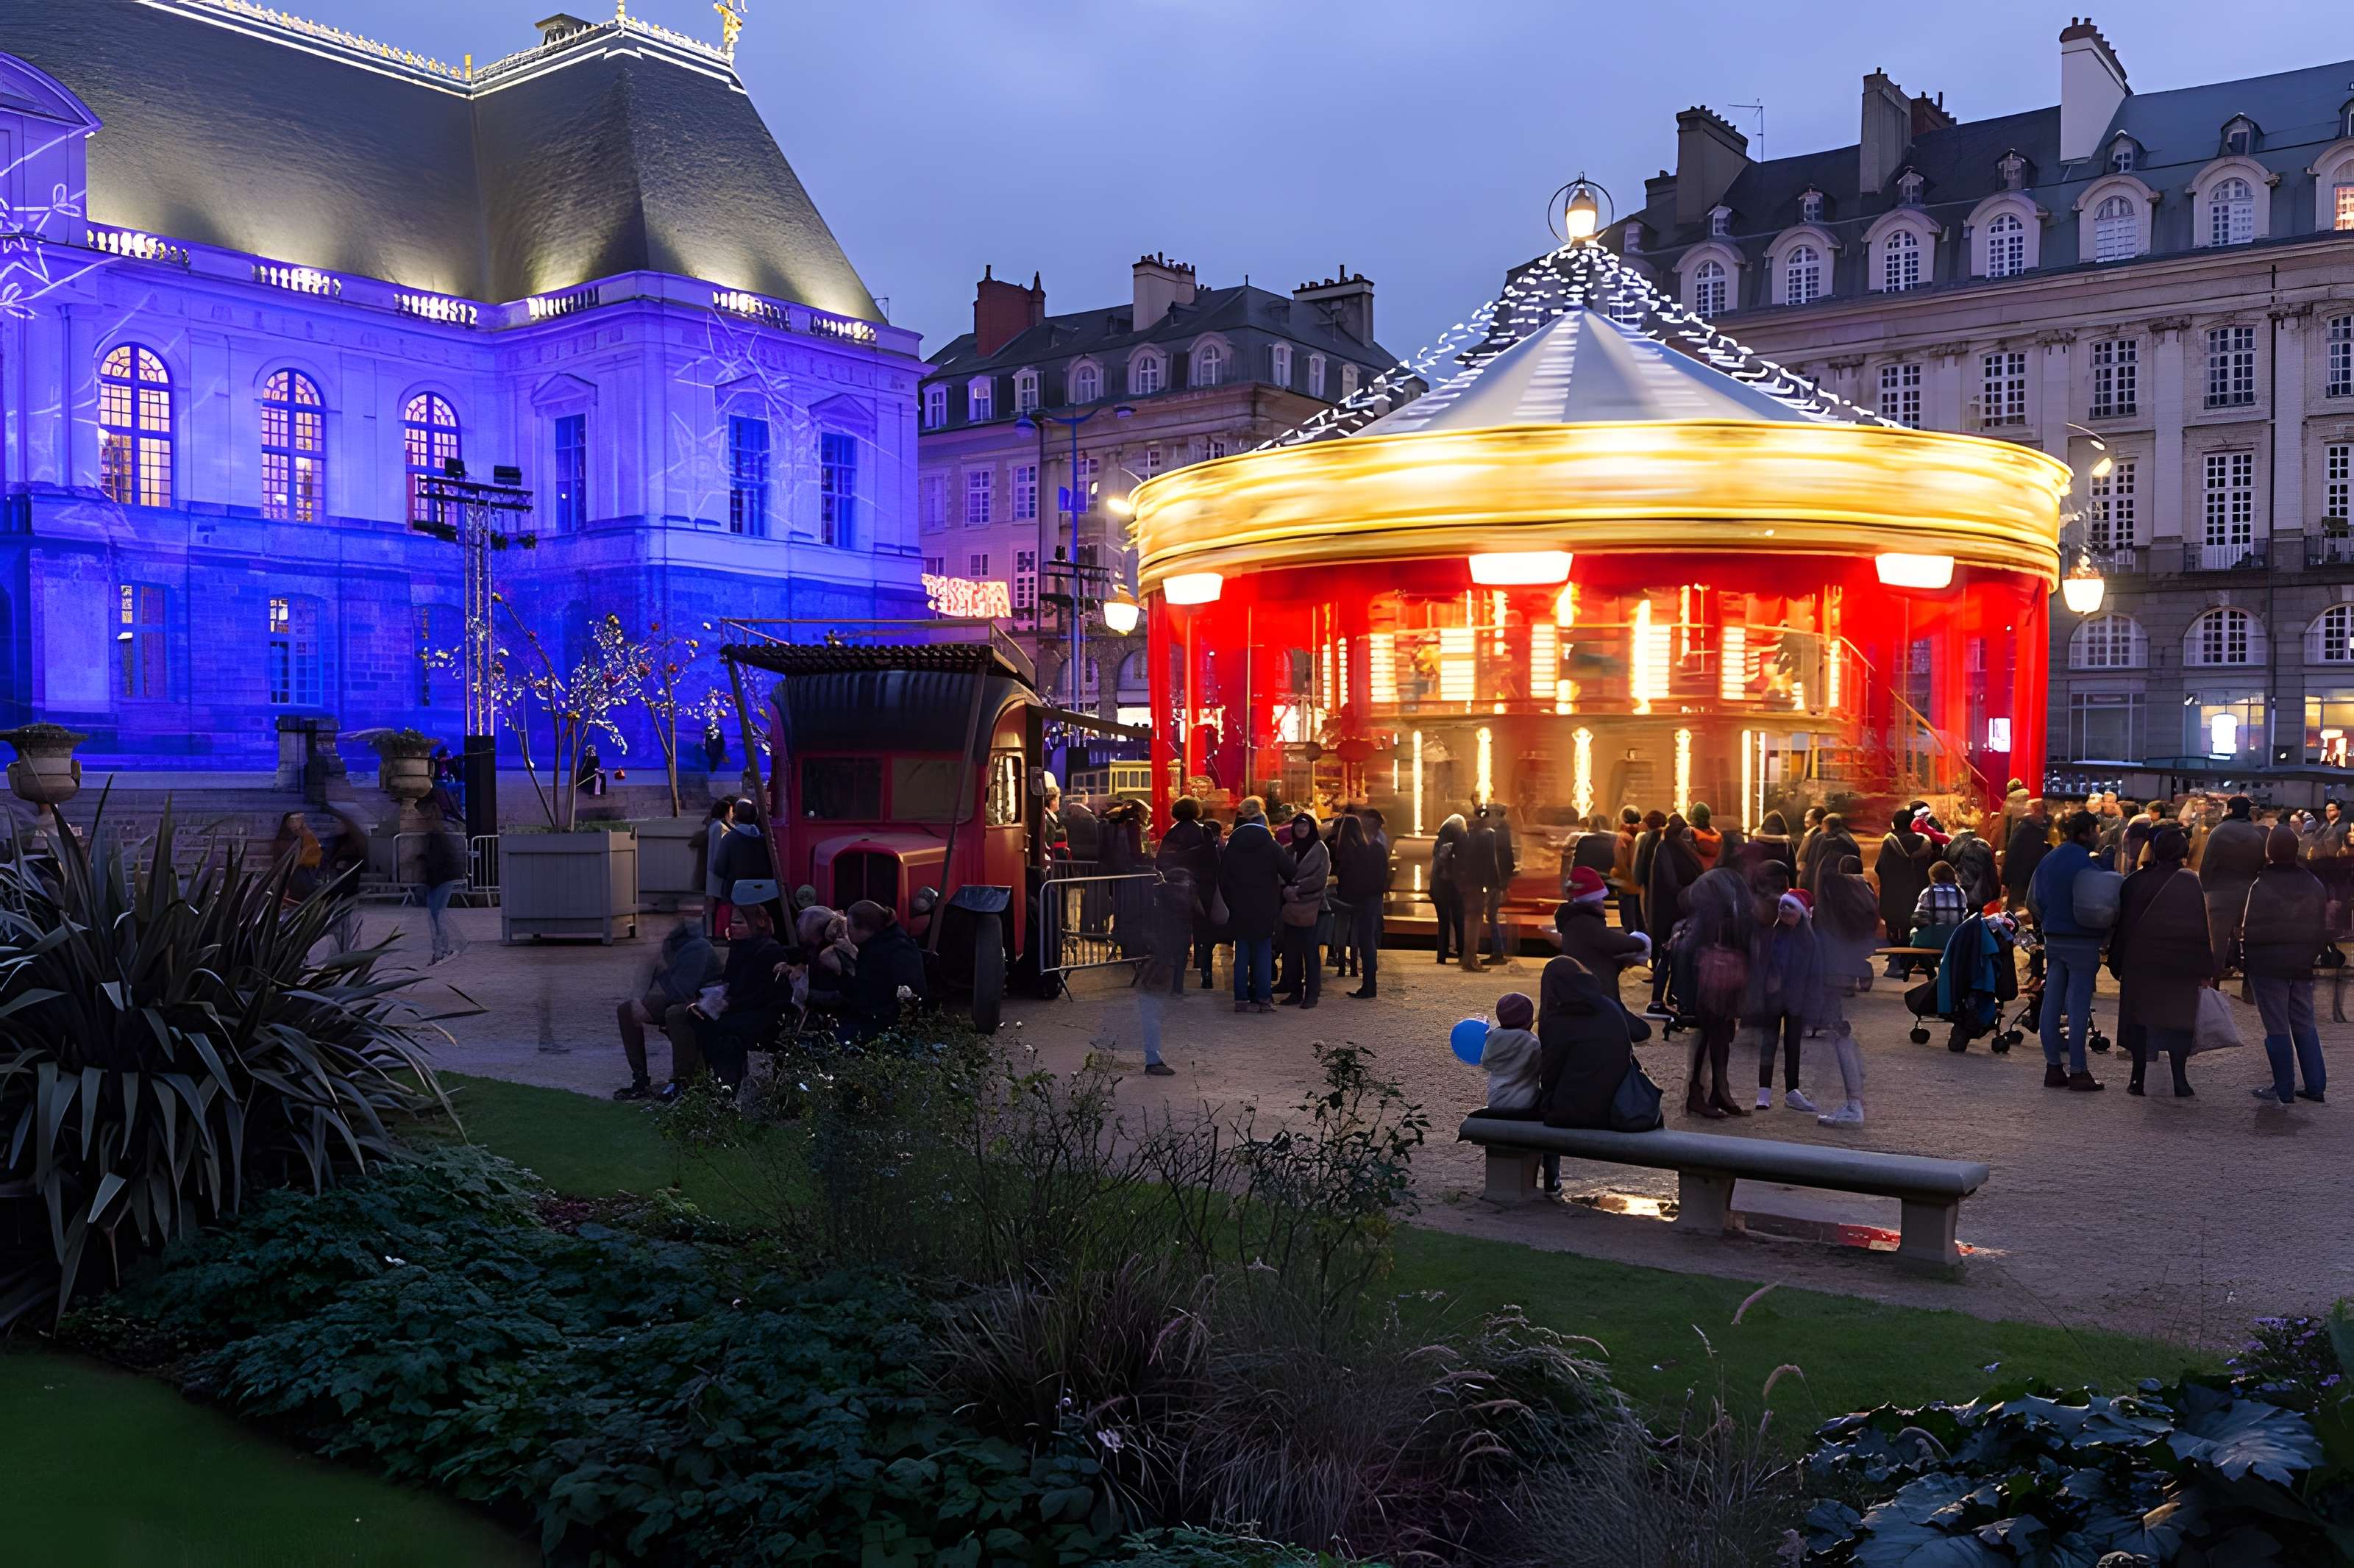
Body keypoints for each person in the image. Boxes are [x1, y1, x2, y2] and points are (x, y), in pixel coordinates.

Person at [2108, 825, 2216, 1097]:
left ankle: (2138, 1079)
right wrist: (2205, 969)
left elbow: (2124, 927)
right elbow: (2201, 929)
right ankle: (2180, 1080)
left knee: (2140, 1019)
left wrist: (2116, 962)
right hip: (2180, 963)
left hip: (2140, 961)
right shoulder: (2191, 882)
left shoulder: (2134, 882)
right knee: (2178, 1019)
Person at [661, 898, 790, 1097]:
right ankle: (688, 1080)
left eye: (739, 922)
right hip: (734, 1006)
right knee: (682, 1014)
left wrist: (726, 1004)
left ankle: (700, 1084)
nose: (732, 926)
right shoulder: (739, 948)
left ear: (756, 924)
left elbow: (762, 993)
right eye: (732, 921)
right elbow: (730, 983)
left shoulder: (768, 949)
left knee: (702, 1022)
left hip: (756, 1014)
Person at [2241, 825, 2328, 1105]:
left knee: (2277, 1026)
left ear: (2269, 852)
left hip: (2268, 966)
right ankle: (2315, 1086)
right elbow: (2320, 929)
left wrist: (2245, 959)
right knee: (2305, 1023)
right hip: (2302, 965)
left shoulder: (2262, 884)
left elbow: (2250, 930)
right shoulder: (2313, 883)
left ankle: (2283, 1087)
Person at [2029, 809, 2107, 1091]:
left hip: (2054, 938)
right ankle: (2079, 1070)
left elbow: (2033, 900)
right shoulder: (2086, 864)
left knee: (2052, 1001)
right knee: (2078, 1005)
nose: (2098, 836)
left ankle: (2053, 1068)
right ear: (2085, 833)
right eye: (2096, 830)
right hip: (2081, 940)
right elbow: (2101, 902)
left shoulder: (2049, 859)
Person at [1535, 955, 1652, 1130]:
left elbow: (1550, 1072)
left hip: (1572, 1114)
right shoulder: (1609, 1005)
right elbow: (1641, 1033)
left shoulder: (1559, 1019)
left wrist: (1546, 1105)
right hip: (1618, 1107)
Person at [1673, 865, 1754, 1119]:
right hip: (1710, 985)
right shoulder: (1716, 903)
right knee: (1712, 1034)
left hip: (1715, 984)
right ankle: (1701, 1094)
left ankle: (1717, 1091)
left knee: (1719, 1035)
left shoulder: (1714, 898)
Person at [614, 920, 721, 1100]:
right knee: (627, 1010)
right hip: (684, 996)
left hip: (704, 999)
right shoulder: (668, 945)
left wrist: (650, 1007)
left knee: (674, 1015)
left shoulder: (696, 947)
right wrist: (638, 1002)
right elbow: (648, 979)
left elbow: (683, 990)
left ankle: (680, 1082)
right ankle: (640, 1079)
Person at [1812, 854, 1881, 1128]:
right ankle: (1855, 1100)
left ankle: (1853, 1104)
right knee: (1844, 1035)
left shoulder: (1831, 896)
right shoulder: (1861, 890)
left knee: (1840, 1035)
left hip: (1832, 970)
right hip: (1848, 967)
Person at [1748, 888, 1820, 1113]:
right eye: (1784, 909)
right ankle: (1764, 1091)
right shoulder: (1771, 934)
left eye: (1792, 909)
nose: (1786, 913)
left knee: (1793, 1045)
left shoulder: (1809, 940)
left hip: (1796, 999)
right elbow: (1760, 966)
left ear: (1802, 914)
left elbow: (1815, 973)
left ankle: (1792, 1090)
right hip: (1773, 998)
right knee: (1768, 1042)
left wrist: (1813, 1003)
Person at [1217, 802, 1292, 1013]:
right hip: (1266, 906)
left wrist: (1231, 901)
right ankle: (1263, 999)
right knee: (1262, 951)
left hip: (1240, 906)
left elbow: (1223, 878)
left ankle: (1241, 999)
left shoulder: (1233, 846)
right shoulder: (1271, 845)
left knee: (1241, 952)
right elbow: (1290, 871)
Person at [2198, 795, 2269, 979]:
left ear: (2229, 810)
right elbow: (2261, 865)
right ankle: (2249, 982)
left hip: (2219, 894)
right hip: (2247, 894)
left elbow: (2207, 865)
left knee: (2217, 942)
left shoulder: (2219, 832)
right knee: (2247, 939)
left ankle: (2213, 982)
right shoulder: (2256, 834)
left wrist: (2206, 890)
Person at [842, 899, 929, 1041]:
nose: (847, 931)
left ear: (864, 929)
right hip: (878, 1018)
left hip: (889, 1026)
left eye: (849, 926)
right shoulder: (877, 945)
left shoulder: (894, 952)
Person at [1643, 813, 1703, 1017]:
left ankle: (1668, 997)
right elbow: (1670, 882)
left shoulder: (1676, 847)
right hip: (1670, 909)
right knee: (1667, 952)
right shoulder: (1667, 848)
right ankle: (1657, 1001)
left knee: (1671, 953)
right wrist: (1692, 893)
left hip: (1675, 907)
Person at [1551, 870, 1649, 991]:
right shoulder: (1584, 922)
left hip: (1591, 984)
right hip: (1594, 991)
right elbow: (1616, 942)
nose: (1602, 903)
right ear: (1592, 899)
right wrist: (1642, 940)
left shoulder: (1578, 920)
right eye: (1599, 898)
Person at [1334, 812, 1390, 999]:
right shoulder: (1377, 847)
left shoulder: (1352, 852)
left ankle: (1368, 986)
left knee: (1365, 942)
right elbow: (1383, 876)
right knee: (1368, 943)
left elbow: (1347, 879)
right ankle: (1369, 984)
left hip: (1360, 900)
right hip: (1373, 899)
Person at [1277, 811, 1329, 1008]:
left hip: (1311, 906)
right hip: (1291, 907)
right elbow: (1280, 872)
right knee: (1292, 953)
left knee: (1310, 952)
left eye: (1305, 826)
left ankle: (1312, 994)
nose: (1301, 829)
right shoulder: (1288, 850)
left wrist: (1298, 888)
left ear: (1311, 828)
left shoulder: (1320, 850)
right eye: (1298, 826)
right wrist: (1285, 889)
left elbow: (1320, 878)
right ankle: (1295, 991)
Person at [1875, 810, 1935, 975]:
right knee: (1913, 928)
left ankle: (1895, 964)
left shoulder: (1889, 843)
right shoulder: (1924, 843)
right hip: (1916, 896)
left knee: (1895, 929)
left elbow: (1879, 867)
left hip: (1892, 896)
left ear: (1895, 824)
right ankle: (1916, 962)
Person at [1455, 808, 1505, 972]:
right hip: (1478, 883)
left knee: (1469, 919)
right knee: (1475, 921)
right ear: (1487, 818)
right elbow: (1491, 861)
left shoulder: (1466, 834)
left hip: (1466, 882)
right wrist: (1495, 885)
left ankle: (1467, 958)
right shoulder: (1488, 834)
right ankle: (1472, 959)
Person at [420, 802, 469, 964]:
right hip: (441, 878)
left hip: (441, 878)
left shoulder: (437, 834)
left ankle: (444, 949)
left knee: (437, 914)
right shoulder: (439, 833)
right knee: (436, 914)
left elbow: (438, 860)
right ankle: (441, 949)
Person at [1910, 860, 1969, 968]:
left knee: (1913, 934)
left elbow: (1918, 917)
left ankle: (1927, 968)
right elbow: (1963, 915)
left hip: (1931, 939)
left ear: (1934, 877)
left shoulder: (1928, 892)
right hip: (1955, 939)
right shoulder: (1961, 892)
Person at [691, 797, 735, 937]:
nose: (733, 814)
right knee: (716, 905)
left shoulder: (713, 826)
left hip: (712, 873)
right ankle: (715, 933)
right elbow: (720, 853)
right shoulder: (721, 828)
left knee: (710, 906)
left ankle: (710, 933)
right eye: (731, 811)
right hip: (718, 873)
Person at [1430, 813, 1469, 966]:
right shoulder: (1454, 846)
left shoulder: (1439, 844)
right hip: (1452, 888)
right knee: (1459, 919)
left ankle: (1442, 955)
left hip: (1438, 888)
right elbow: (1458, 867)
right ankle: (1461, 952)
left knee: (1444, 922)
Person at [2002, 799, 2054, 912]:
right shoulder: (2041, 829)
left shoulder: (2026, 829)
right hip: (2027, 880)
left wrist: (2006, 881)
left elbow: (2012, 854)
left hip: (2025, 881)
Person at [1799, 811, 1860, 903]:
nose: (1821, 828)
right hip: (1845, 886)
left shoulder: (1823, 840)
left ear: (1827, 825)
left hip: (1824, 884)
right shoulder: (1849, 840)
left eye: (1823, 825)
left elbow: (1814, 863)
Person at [1946, 819, 2000, 910]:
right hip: (1979, 897)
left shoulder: (1952, 847)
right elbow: (1989, 873)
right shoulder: (1978, 845)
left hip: (1961, 898)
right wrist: (1995, 892)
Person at [1610, 807, 1644, 937]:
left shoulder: (1623, 839)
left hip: (1626, 886)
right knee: (1639, 922)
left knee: (1628, 924)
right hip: (1637, 887)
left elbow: (1621, 863)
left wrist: (1616, 875)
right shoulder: (1636, 838)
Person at [1737, 810, 1797, 883]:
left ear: (1764, 827)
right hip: (1780, 885)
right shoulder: (1787, 845)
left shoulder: (1755, 845)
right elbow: (1792, 871)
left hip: (1760, 886)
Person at [1688, 803, 1724, 873]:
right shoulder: (1720, 839)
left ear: (1694, 819)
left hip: (1700, 877)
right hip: (1717, 876)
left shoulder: (1690, 837)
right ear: (1709, 818)